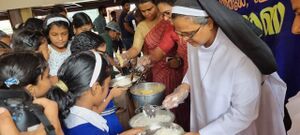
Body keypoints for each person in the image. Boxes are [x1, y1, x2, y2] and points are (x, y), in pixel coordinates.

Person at [162, 0, 286, 134]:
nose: (183, 40)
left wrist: (202, 134)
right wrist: (184, 87)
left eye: (187, 34)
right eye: (180, 34)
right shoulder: (195, 39)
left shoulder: (240, 57)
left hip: (232, 127)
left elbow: (244, 114)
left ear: (209, 23)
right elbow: (196, 70)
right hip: (204, 111)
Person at [47, 51, 141, 135]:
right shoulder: (90, 131)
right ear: (96, 88)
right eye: (107, 85)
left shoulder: (69, 111)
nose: (107, 89)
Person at [0, 51, 64, 135]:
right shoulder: (42, 115)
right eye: (48, 76)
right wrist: (52, 127)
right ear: (30, 89)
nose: (54, 78)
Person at [43, 14, 72, 82]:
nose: (60, 38)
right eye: (54, 35)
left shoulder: (72, 47)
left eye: (64, 34)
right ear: (47, 35)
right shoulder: (46, 50)